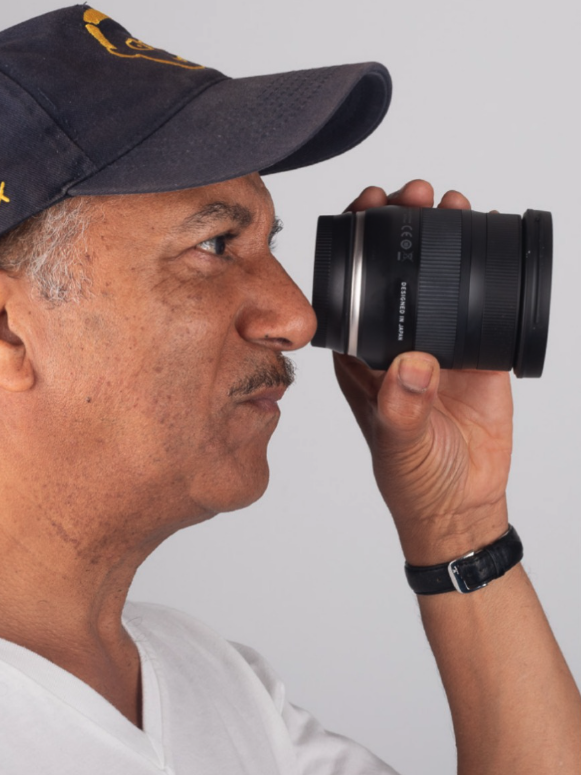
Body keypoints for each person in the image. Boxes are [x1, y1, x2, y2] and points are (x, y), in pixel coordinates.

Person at [0, 6, 579, 774]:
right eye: (214, 245)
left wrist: (458, 526)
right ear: (10, 331)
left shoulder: (215, 683)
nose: (298, 318)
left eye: (265, 243)